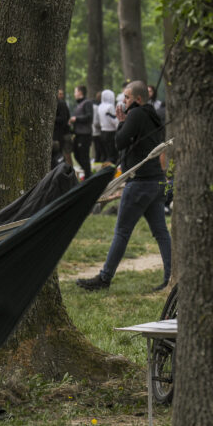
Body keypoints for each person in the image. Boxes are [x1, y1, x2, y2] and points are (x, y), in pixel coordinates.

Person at [78, 80, 171, 292]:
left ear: (138, 99)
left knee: (121, 231)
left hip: (139, 183)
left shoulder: (137, 114)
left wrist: (121, 122)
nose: (123, 101)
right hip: (156, 181)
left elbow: (119, 142)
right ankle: (171, 276)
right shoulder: (153, 115)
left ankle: (104, 278)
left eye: (127, 97)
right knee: (161, 232)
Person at [70, 86, 94, 179]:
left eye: (75, 92)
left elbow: (89, 116)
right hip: (78, 134)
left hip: (85, 135)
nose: (74, 94)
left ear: (80, 92)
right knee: (76, 155)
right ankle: (88, 174)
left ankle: (88, 176)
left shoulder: (87, 103)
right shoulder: (79, 104)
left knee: (84, 157)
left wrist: (76, 119)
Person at [96, 89, 118, 164]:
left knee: (106, 154)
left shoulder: (100, 106)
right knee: (112, 154)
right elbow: (114, 120)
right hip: (111, 132)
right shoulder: (110, 106)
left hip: (103, 131)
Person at [52, 88, 72, 166]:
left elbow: (64, 119)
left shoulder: (61, 104)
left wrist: (51, 118)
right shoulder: (57, 103)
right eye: (59, 94)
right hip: (58, 134)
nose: (60, 95)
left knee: (65, 155)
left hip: (62, 135)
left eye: (61, 94)